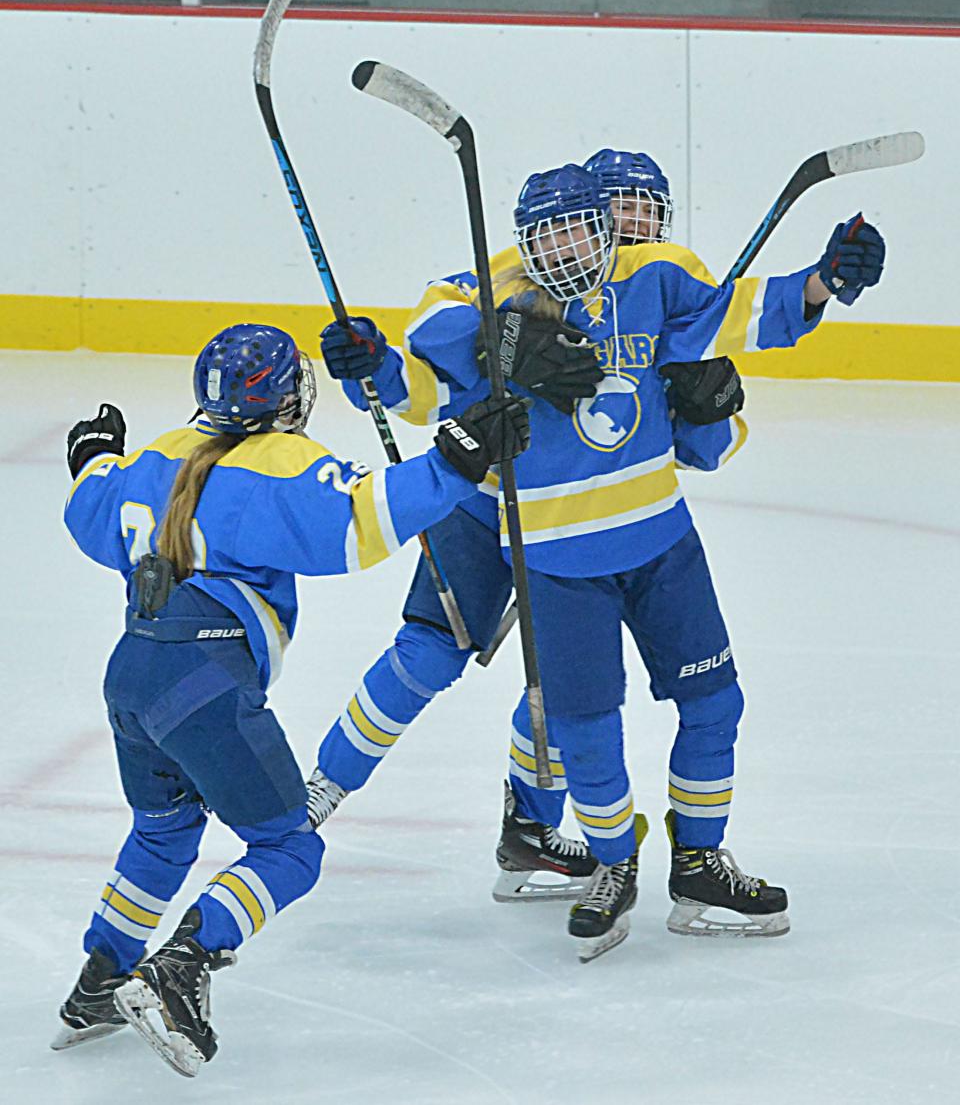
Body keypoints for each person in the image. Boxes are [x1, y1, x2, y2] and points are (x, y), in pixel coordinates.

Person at [312, 161, 884, 961]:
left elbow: (732, 358)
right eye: (600, 219)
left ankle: (656, 852)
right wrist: (396, 357)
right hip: (505, 513)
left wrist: (815, 292)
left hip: (641, 532)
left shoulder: (660, 283)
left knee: (683, 701)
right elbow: (422, 377)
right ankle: (333, 792)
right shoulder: (493, 295)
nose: (600, 237)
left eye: (628, 220)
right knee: (462, 668)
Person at [51, 323, 529, 1075]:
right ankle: (182, 962)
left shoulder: (159, 453)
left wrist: (92, 458)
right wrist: (453, 462)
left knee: (163, 830)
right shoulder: (275, 464)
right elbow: (360, 521)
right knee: (288, 847)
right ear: (287, 396)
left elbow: (91, 510)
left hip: (132, 673)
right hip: (203, 683)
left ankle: (99, 979)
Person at [304, 151, 733, 902]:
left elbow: (708, 450)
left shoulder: (660, 300)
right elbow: (435, 346)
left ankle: (530, 825)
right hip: (485, 503)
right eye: (620, 208)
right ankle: (319, 790)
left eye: (648, 212)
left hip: (574, 523)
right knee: (429, 652)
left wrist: (710, 405)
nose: (635, 225)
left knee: (562, 684)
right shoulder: (523, 279)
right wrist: (490, 342)